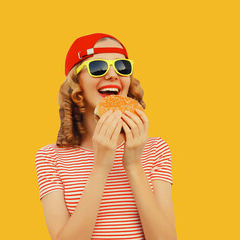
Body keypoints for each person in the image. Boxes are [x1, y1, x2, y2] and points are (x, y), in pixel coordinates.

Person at [35, 33, 177, 240]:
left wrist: (134, 164)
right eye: (98, 67)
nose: (113, 75)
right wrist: (101, 165)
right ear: (76, 84)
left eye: (122, 66)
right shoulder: (50, 158)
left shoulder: (155, 149)